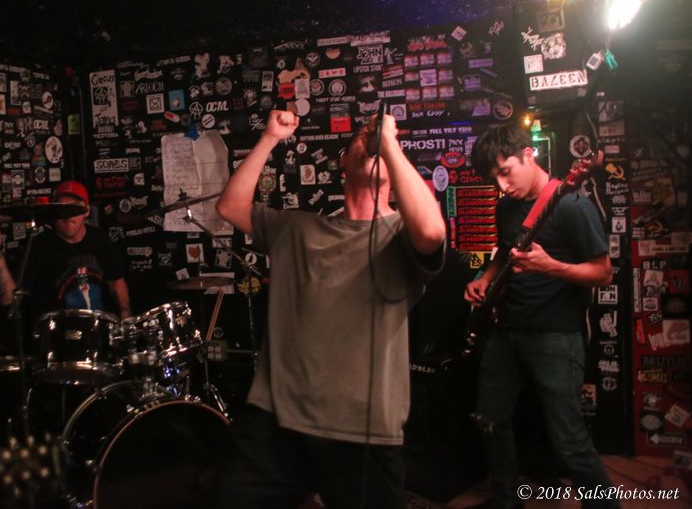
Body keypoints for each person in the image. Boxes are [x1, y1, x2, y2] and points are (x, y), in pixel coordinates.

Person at [212, 109, 446, 509]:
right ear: (342, 164)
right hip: (276, 421)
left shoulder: (399, 236)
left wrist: (388, 144)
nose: (370, 142)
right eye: (361, 139)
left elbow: (431, 231)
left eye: (378, 143)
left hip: (363, 428)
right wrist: (269, 138)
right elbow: (230, 207)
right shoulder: (296, 228)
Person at [463, 125, 616, 509]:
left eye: (506, 171)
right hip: (506, 330)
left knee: (568, 439)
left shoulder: (572, 206)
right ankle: (506, 500)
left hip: (555, 336)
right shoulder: (505, 207)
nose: (502, 186)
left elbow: (603, 273)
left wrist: (552, 267)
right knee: (489, 419)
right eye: (493, 179)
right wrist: (484, 278)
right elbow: (506, 252)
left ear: (529, 155)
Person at [0, 180, 132, 342]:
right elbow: (9, 299)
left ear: (86, 211)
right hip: (55, 339)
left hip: (98, 334)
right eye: (61, 208)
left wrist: (126, 320)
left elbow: (117, 282)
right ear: (52, 212)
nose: (68, 215)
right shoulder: (37, 246)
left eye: (74, 208)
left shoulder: (100, 239)